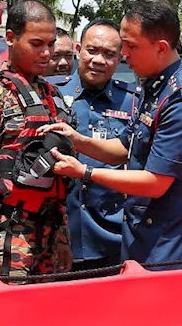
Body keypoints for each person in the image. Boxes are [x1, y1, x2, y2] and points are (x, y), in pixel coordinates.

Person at [46, 0, 182, 267]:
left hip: (172, 248)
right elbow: (123, 149)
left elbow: (156, 182)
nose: (124, 55)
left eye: (131, 46)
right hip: (143, 238)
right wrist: (77, 140)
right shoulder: (155, 88)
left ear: (160, 47)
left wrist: (85, 172)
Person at [0, 0, 74, 278]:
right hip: (5, 239)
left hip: (48, 240)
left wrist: (63, 239)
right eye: (36, 44)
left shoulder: (52, 97)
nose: (46, 53)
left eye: (50, 44)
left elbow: (58, 176)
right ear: (10, 38)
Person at [56, 19, 136, 271]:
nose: (99, 60)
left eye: (109, 54)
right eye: (92, 50)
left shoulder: (134, 102)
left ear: (120, 57)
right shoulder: (51, 95)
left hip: (112, 237)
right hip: (59, 236)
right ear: (78, 48)